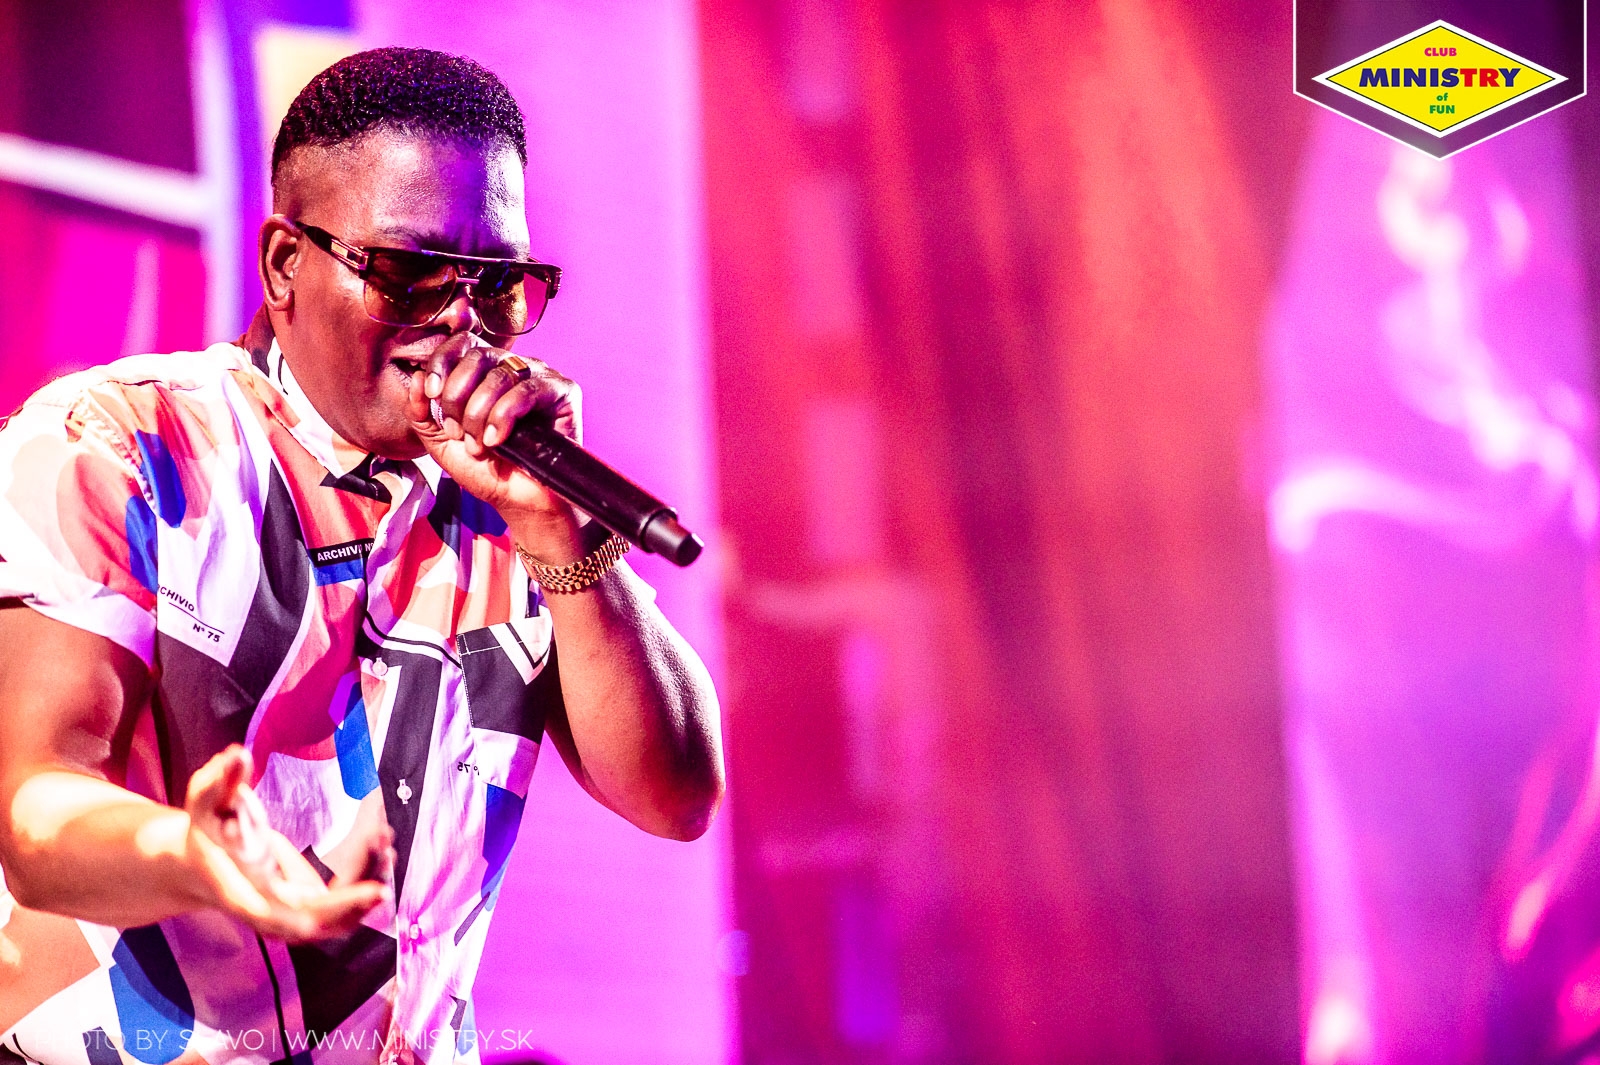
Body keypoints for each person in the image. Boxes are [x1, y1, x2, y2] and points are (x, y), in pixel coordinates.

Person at [0, 47, 723, 1064]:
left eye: (497, 282)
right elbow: (35, 811)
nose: (460, 320)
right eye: (408, 271)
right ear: (284, 266)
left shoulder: (509, 499)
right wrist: (192, 854)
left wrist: (567, 532)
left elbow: (676, 796)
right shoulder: (120, 443)